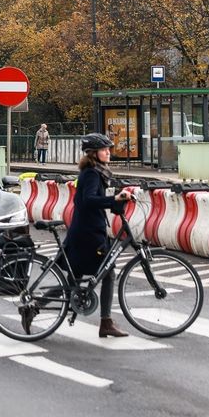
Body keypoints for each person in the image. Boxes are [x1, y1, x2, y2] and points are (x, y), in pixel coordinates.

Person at [62, 133, 131, 338]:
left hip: (85, 230)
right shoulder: (92, 173)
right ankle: (106, 322)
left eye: (109, 149)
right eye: (104, 149)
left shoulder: (93, 171)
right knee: (106, 273)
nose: (109, 152)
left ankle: (37, 306)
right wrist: (114, 199)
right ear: (94, 153)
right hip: (89, 233)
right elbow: (90, 199)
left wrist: (116, 200)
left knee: (75, 276)